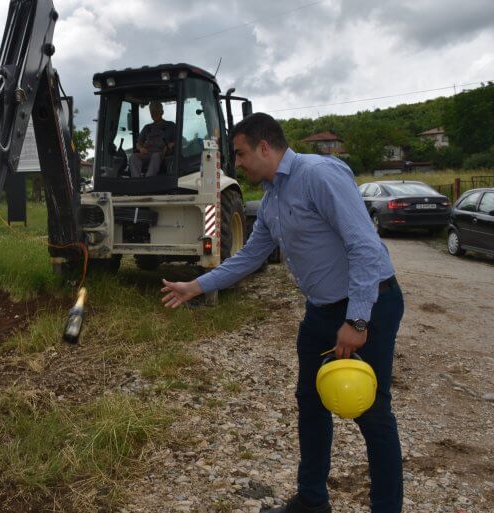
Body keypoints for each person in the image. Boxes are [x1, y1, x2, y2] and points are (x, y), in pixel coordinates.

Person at [160, 113, 404, 513]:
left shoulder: (319, 175)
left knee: (372, 413)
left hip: (371, 303)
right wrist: (197, 285)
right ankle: (311, 501)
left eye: (239, 155)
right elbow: (251, 257)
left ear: (264, 147)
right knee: (310, 403)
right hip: (322, 311)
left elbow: (364, 247)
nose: (236, 164)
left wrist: (357, 320)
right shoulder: (272, 198)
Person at [129, 101, 176, 177]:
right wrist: (141, 148)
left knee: (155, 156)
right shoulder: (147, 127)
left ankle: (148, 179)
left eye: (156, 111)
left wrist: (171, 144)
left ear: (162, 112)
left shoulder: (170, 125)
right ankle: (137, 179)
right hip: (146, 153)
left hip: (162, 153)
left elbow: (180, 141)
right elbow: (138, 143)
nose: (154, 113)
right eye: (152, 111)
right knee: (133, 157)